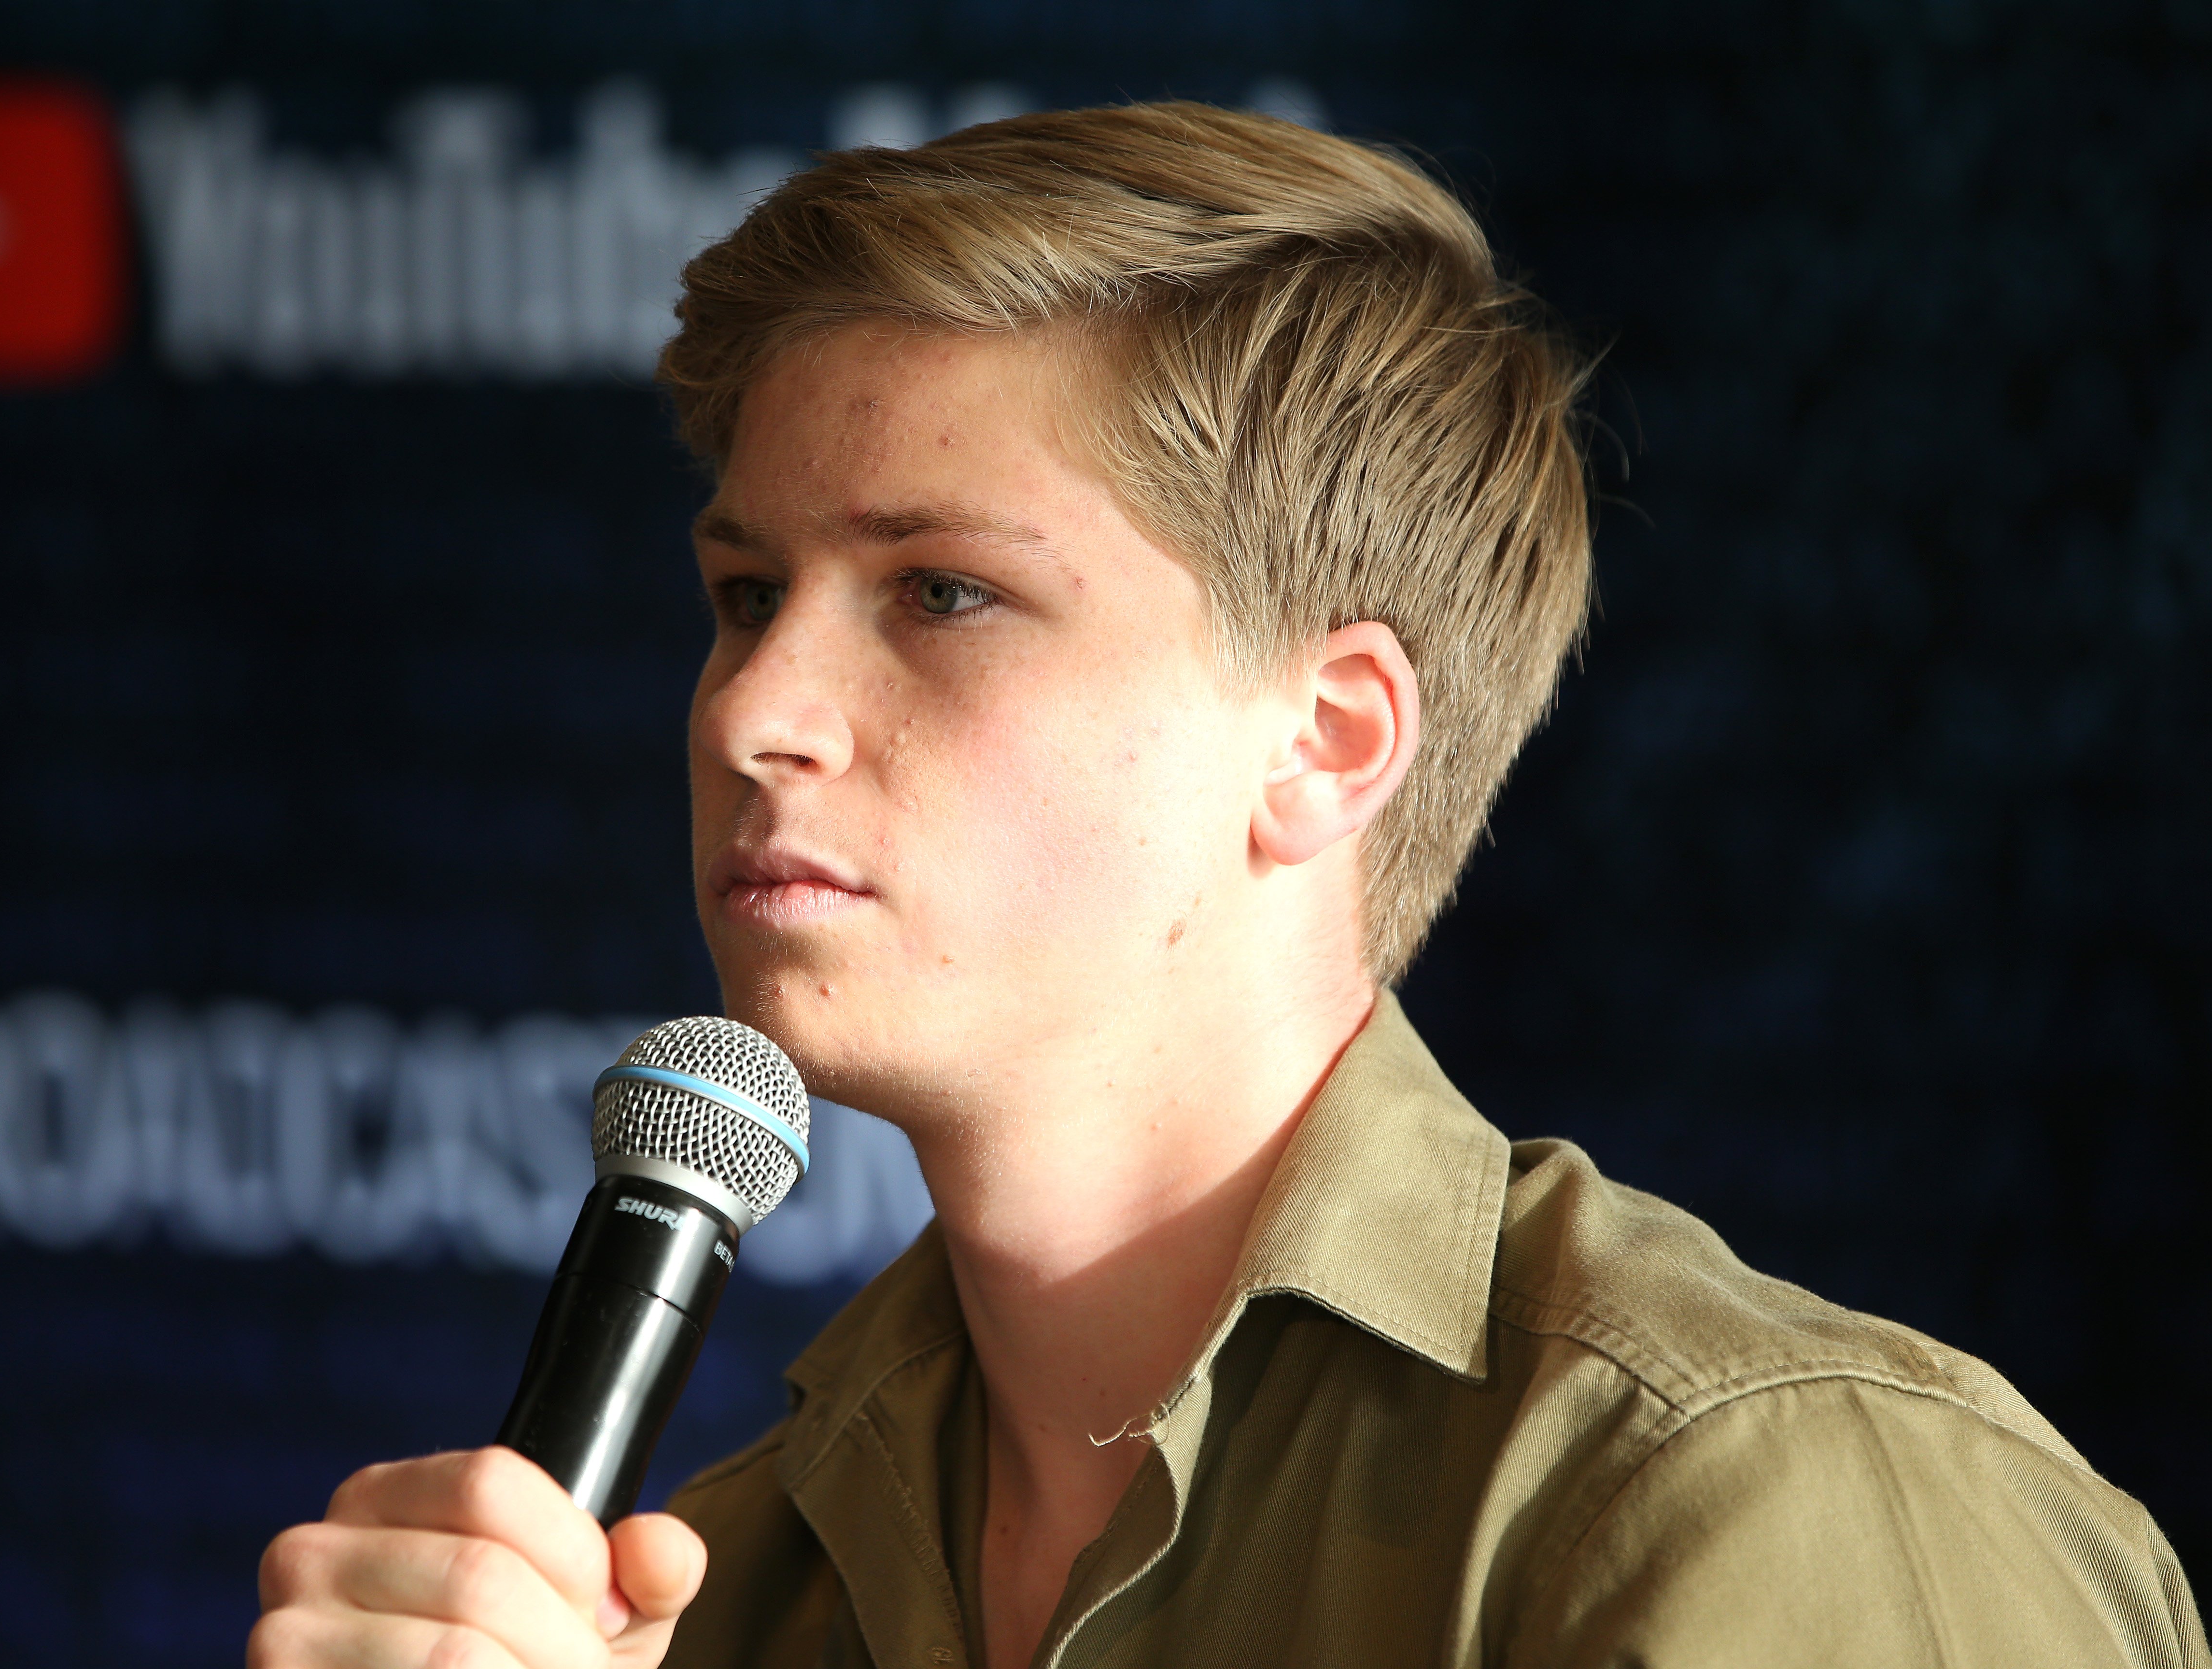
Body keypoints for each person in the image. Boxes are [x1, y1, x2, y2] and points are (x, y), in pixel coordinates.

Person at [248, 103, 2205, 1669]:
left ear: (1333, 742)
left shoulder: (1756, 1502)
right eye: (746, 596)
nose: (757, 706)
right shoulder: (717, 1584)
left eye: (941, 591)